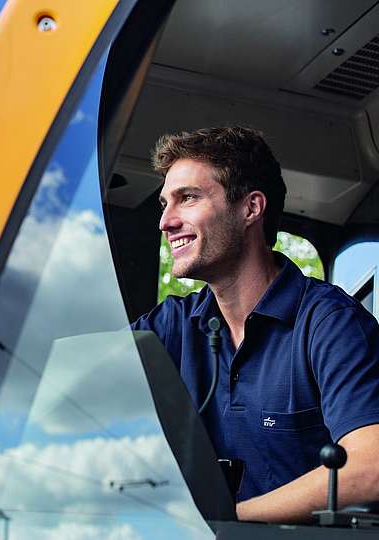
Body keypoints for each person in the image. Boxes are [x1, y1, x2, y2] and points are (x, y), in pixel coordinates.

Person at [132, 126, 379, 523]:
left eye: (188, 198)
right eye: (164, 203)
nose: (165, 221)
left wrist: (223, 520)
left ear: (251, 209)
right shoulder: (172, 323)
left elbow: (370, 469)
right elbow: (73, 386)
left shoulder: (330, 324)